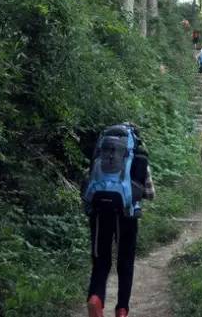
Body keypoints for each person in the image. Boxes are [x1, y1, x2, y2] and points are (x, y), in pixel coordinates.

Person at [83, 125, 156, 317]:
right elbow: (150, 193)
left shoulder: (100, 155)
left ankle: (96, 298)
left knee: (100, 260)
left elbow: (87, 182)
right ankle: (122, 309)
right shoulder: (138, 156)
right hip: (127, 214)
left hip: (99, 212)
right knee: (125, 261)